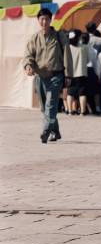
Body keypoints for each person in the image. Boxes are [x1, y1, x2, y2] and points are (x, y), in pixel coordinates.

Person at [23, 8, 73, 143]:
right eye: (42, 19)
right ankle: (55, 131)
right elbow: (28, 55)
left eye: (47, 19)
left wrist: (68, 75)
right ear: (38, 20)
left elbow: (67, 55)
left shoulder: (59, 36)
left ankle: (45, 131)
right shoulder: (34, 38)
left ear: (51, 20)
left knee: (51, 105)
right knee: (44, 107)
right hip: (40, 77)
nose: (44, 21)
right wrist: (28, 66)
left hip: (56, 75)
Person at [66, 29, 89, 116]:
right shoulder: (84, 47)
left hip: (71, 73)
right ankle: (83, 111)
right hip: (81, 73)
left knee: (70, 92)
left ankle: (69, 111)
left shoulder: (67, 48)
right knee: (82, 93)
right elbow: (88, 60)